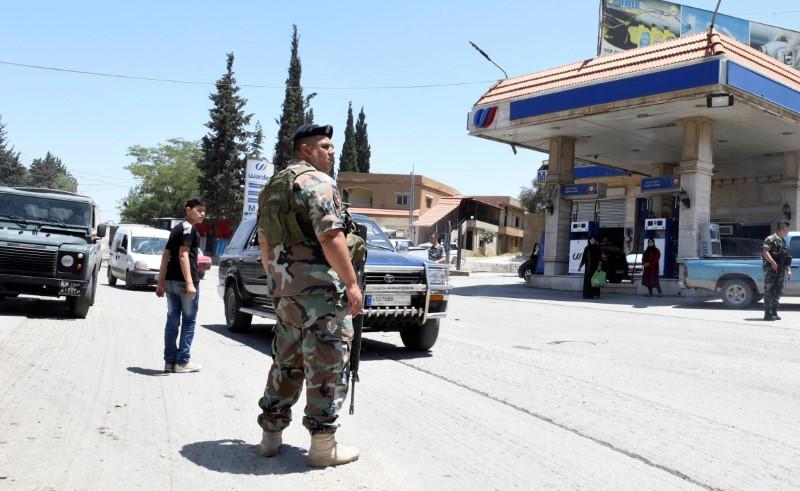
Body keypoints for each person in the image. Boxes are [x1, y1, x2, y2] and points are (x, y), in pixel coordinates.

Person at [256, 123, 363, 467]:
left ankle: (270, 437)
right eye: (325, 146)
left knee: (286, 362)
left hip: (286, 292)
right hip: (320, 294)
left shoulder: (272, 186)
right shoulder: (317, 182)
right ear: (306, 150)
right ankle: (322, 446)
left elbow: (265, 241)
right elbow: (331, 236)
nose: (332, 152)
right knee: (326, 363)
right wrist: (351, 284)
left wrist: (277, 282)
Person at [156, 197, 206, 373]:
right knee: (189, 321)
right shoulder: (188, 229)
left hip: (170, 282)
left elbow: (166, 255)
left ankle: (169, 362)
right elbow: (183, 255)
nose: (202, 214)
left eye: (204, 211)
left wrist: (161, 282)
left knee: (172, 321)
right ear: (188, 210)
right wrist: (190, 283)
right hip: (184, 283)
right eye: (199, 210)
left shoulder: (176, 228)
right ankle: (182, 362)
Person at [762, 221, 792, 321]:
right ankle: (767, 314)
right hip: (771, 271)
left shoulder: (783, 241)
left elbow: (785, 258)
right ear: (783, 229)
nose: (787, 232)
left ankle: (774, 312)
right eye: (787, 230)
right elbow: (765, 252)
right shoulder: (770, 239)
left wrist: (788, 269)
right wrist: (773, 262)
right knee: (769, 291)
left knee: (777, 291)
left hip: (780, 271)